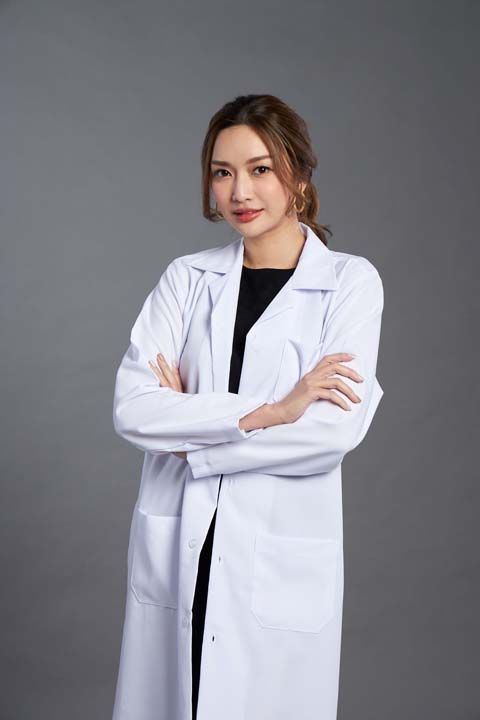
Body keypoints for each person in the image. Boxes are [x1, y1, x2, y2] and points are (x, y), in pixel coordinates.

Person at [111, 93, 385, 720]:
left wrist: (194, 441)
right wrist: (274, 411)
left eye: (261, 169)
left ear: (299, 174)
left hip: (275, 561)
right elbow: (133, 408)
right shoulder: (187, 278)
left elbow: (331, 432)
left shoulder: (349, 283)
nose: (240, 191)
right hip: (183, 546)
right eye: (222, 171)